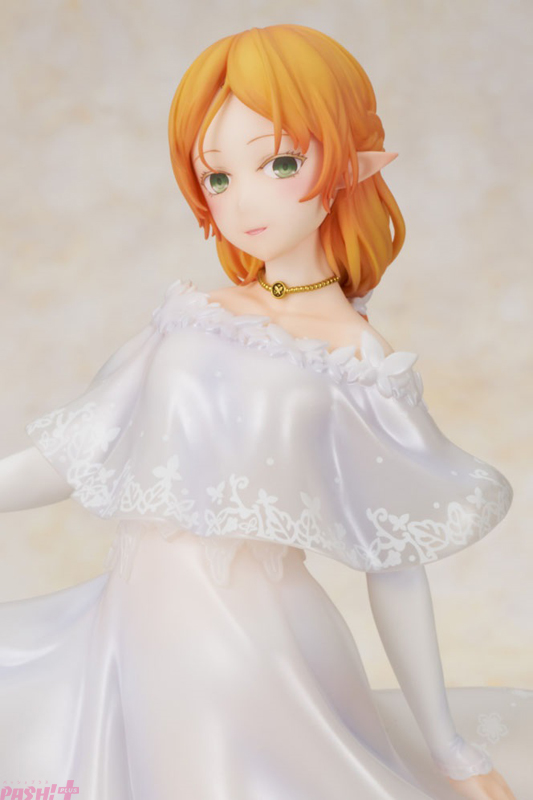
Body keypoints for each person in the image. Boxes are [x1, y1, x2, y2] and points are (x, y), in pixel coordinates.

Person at [0, 23, 527, 800]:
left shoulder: (358, 358)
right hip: (130, 627)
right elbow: (74, 453)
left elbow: (393, 559)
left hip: (256, 647)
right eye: (216, 176)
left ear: (352, 162)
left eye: (279, 162)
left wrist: (450, 747)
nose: (242, 199)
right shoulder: (190, 315)